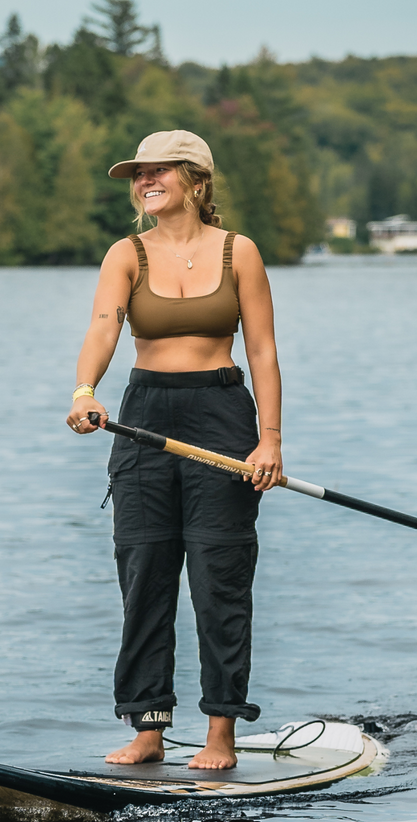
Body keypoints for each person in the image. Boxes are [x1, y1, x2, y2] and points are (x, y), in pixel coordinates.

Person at [66, 130, 282, 770]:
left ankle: (221, 732)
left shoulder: (239, 252)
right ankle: (148, 727)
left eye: (159, 170)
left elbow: (262, 349)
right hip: (144, 417)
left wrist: (270, 439)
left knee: (220, 580)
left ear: (196, 180)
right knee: (145, 575)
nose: (145, 181)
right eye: (139, 173)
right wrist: (85, 391)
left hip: (222, 416)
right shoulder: (126, 254)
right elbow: (103, 326)